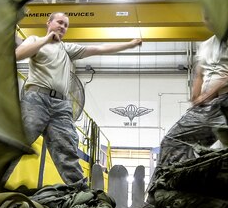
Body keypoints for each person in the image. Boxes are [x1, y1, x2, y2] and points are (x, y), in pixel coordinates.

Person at [9, 12, 142, 186]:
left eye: (66, 25)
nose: (63, 27)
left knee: (68, 150)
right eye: (60, 22)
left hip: (62, 106)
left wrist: (129, 44)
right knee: (18, 143)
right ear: (48, 22)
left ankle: (81, 194)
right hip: (36, 100)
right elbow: (18, 55)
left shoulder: (66, 49)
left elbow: (98, 49)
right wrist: (47, 39)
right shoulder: (34, 40)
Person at [149, 13, 228, 188]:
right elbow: (199, 73)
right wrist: (196, 95)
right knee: (172, 140)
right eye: (207, 17)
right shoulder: (205, 46)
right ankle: (165, 188)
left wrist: (214, 89)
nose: (210, 20)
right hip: (208, 105)